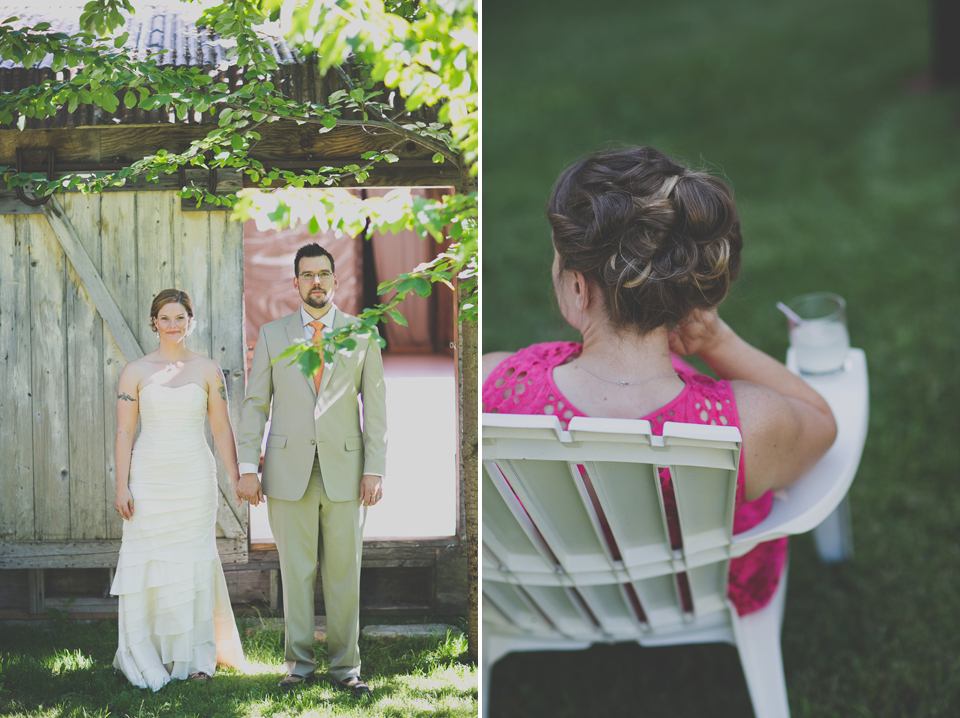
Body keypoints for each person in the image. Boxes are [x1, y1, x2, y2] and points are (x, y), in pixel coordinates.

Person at [482, 146, 838, 615]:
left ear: (576, 288)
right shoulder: (744, 426)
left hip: (555, 600)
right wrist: (719, 344)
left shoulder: (495, 384)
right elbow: (821, 423)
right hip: (698, 592)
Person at [236, 243, 387, 695]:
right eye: (307, 275)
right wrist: (248, 466)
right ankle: (298, 665)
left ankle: (346, 668)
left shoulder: (362, 334)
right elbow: (255, 403)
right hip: (287, 471)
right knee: (295, 571)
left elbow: (375, 410)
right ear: (296, 282)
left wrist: (375, 468)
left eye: (323, 274)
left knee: (345, 572)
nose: (316, 282)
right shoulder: (273, 334)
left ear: (336, 280)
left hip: (345, 470)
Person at [111, 288, 246, 690]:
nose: (173, 325)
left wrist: (236, 478)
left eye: (180, 318)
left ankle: (198, 656)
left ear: (191, 321)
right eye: (165, 318)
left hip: (193, 478)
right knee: (149, 560)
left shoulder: (208, 370)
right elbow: (123, 431)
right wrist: (122, 485)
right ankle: (148, 650)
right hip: (149, 477)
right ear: (154, 323)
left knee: (193, 561)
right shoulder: (135, 371)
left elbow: (221, 428)